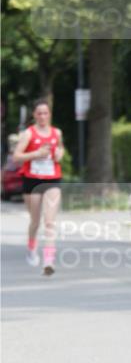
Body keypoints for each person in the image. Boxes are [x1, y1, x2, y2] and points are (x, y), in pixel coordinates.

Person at [13, 98, 65, 276]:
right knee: (35, 221)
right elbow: (16, 157)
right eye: (39, 113)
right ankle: (31, 246)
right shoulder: (28, 134)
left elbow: (60, 151)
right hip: (32, 180)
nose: (43, 116)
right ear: (34, 115)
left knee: (50, 222)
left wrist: (59, 154)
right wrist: (36, 154)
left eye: (45, 113)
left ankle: (48, 261)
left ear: (49, 114)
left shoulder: (56, 133)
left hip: (52, 180)